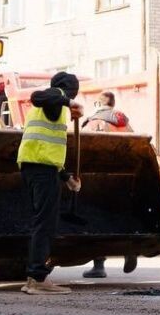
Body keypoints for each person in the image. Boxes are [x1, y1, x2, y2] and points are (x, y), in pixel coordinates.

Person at [17, 71, 83, 294]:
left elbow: (46, 149)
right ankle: (37, 278)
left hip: (37, 169)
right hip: (41, 171)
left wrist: (65, 177)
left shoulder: (52, 105)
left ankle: (33, 278)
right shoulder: (54, 96)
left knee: (42, 222)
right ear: (71, 90)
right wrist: (70, 100)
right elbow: (37, 95)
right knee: (44, 224)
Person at [81, 91, 134, 279]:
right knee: (120, 216)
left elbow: (82, 150)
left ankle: (99, 266)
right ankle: (130, 249)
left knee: (97, 221)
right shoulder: (125, 123)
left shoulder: (92, 122)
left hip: (98, 179)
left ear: (97, 104)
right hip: (123, 178)